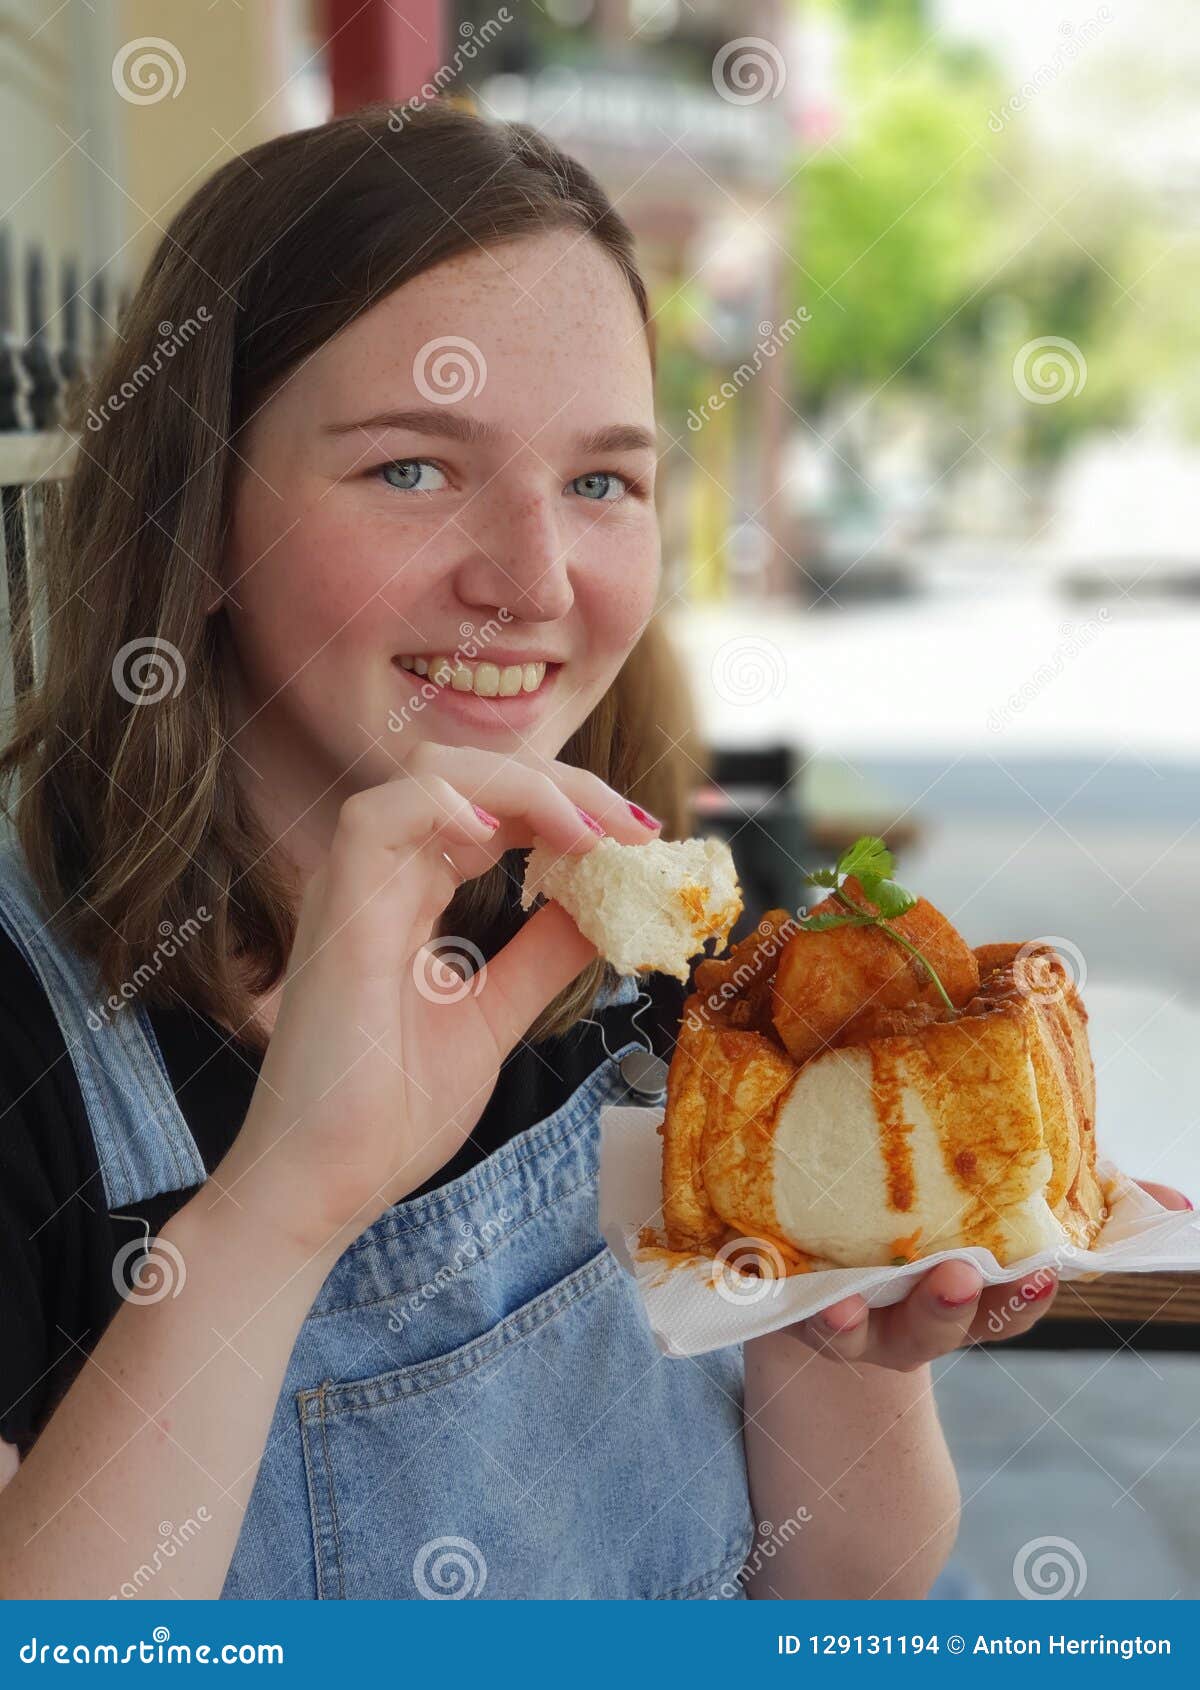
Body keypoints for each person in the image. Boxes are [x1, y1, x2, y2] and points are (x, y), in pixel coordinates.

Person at [0, 101, 1187, 1602]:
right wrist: (286, 1199)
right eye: (413, 469)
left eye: (602, 481)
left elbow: (842, 1586)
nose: (535, 579)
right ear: (198, 513)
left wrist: (849, 1318)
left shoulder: (701, 951)